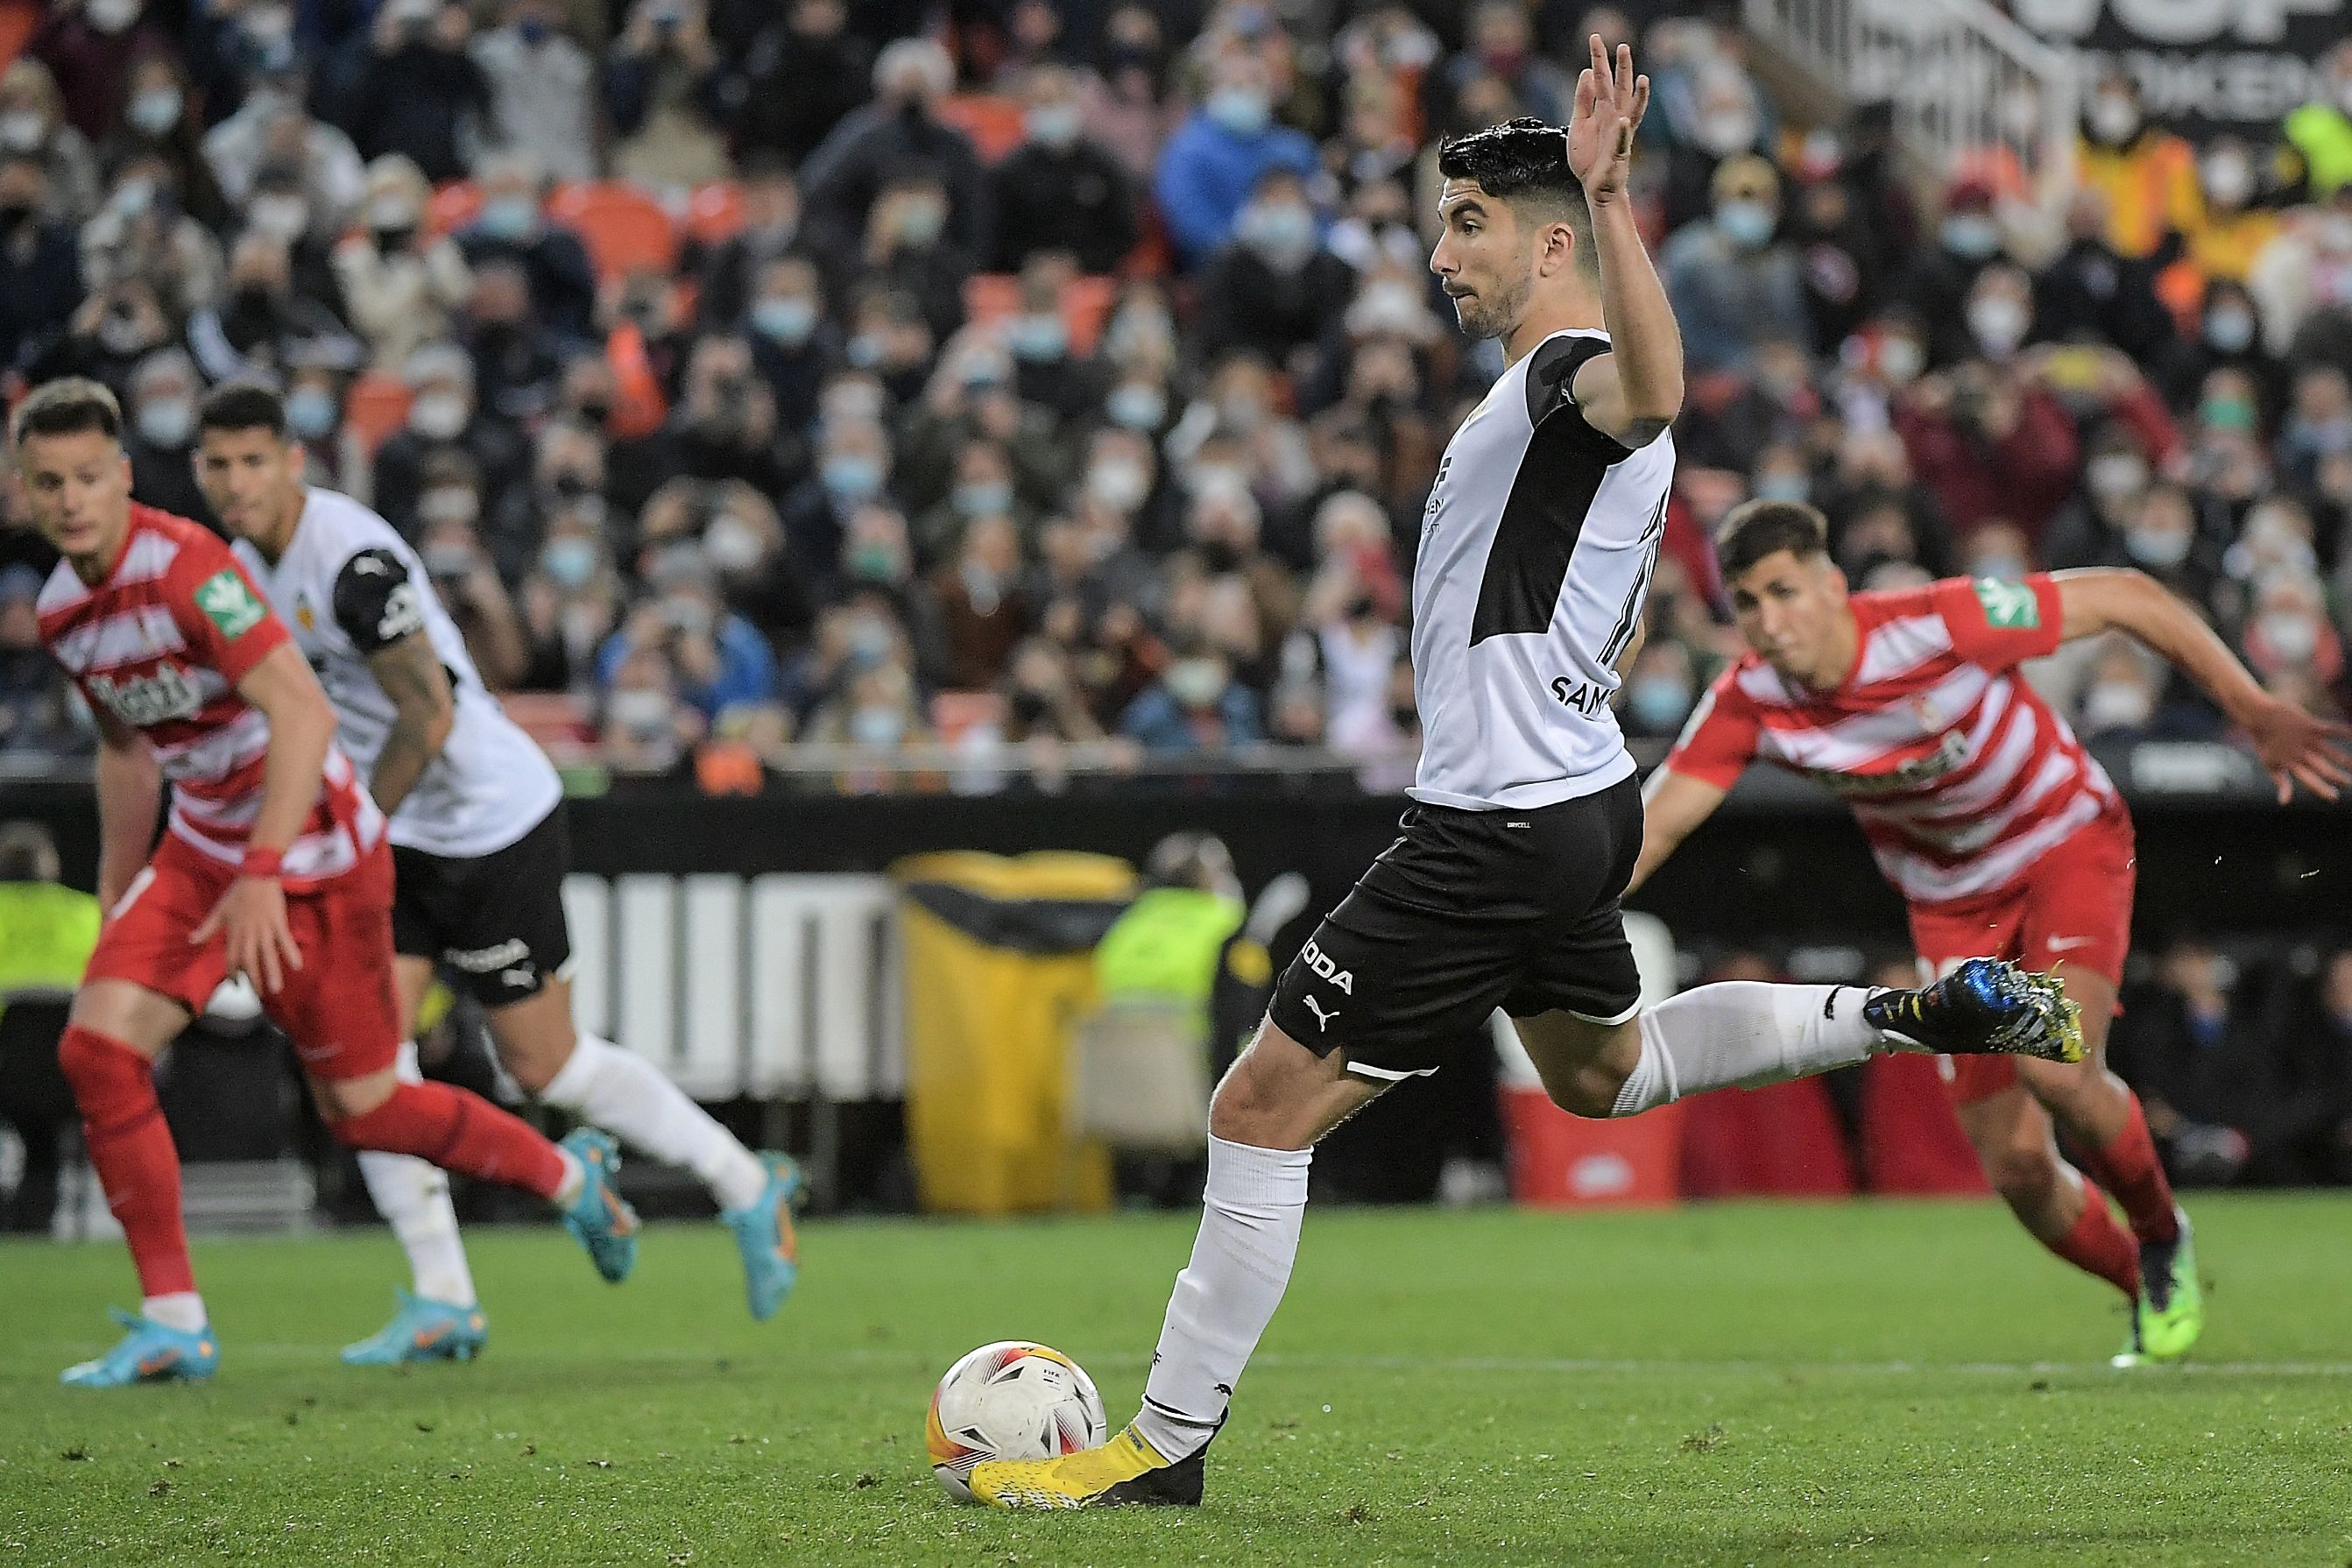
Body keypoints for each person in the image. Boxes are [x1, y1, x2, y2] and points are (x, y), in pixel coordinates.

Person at [963, 47, 2081, 1510]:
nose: (1440, 255)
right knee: (1605, 1072)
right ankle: (1904, 1014)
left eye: (1467, 224)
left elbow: (1662, 387)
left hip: (1494, 820)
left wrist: (1618, 197)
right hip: (1570, 802)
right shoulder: (1541, 396)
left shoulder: (1569, 376)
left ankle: (1160, 1449)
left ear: (1553, 240)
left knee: (1256, 1108)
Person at [18, 377, 636, 1388]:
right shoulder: (64, 612)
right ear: (26, 491)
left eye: (89, 476)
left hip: (318, 853)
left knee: (365, 1106)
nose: (72, 498)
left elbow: (302, 713)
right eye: (49, 482)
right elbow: (127, 756)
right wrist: (115, 897)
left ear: (124, 475)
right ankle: (175, 1318)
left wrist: (265, 872)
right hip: (206, 852)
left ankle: (569, 1176)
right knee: (96, 1046)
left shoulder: (193, 571)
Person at [1635, 498, 2352, 1364]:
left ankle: (2164, 1229)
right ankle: (2146, 1278)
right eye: (1748, 601)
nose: (1769, 619)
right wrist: (1554, 907)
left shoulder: (1939, 621)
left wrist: (2251, 702)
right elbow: (1658, 823)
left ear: (1831, 585)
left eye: (1784, 590)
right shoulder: (1749, 698)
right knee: (2014, 1165)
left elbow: (2129, 594)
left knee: (2057, 1069)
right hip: (1952, 906)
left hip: (2063, 845)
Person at [193, 383, 805, 1360]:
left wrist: (347, 829)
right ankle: (444, 1294)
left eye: (252, 460)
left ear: (293, 460)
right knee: (365, 1070)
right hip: (389, 834)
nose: (235, 483)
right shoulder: (234, 569)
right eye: (216, 464)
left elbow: (427, 716)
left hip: (484, 820)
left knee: (545, 1063)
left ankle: (744, 1182)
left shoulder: (352, 562)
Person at [0, 821, 97, 1233]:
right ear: (50, 866)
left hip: (6, 1070)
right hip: (68, 1075)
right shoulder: (87, 914)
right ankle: (37, 1218)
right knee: (44, 1144)